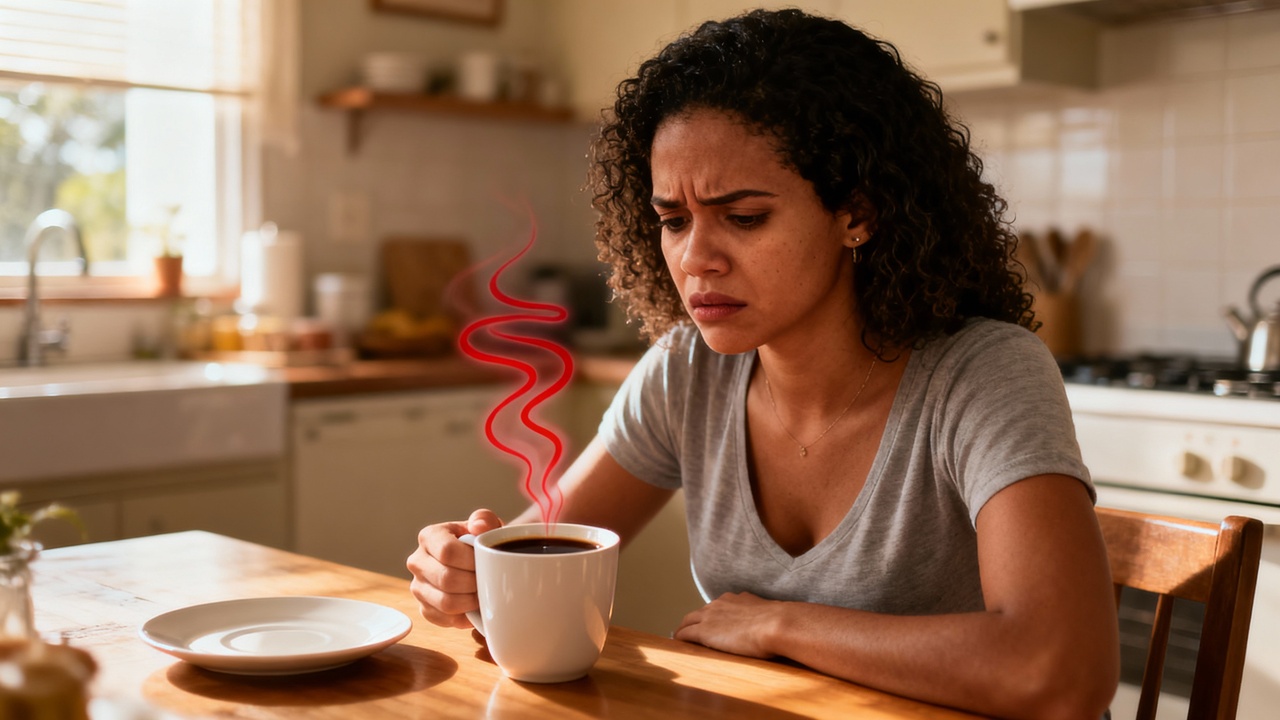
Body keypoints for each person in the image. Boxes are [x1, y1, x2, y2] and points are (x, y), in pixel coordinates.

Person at [408, 8, 1118, 718]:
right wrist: (467, 573)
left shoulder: (984, 374)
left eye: (744, 218)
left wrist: (779, 623)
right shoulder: (687, 371)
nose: (695, 260)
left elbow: (1061, 672)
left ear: (858, 214)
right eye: (674, 221)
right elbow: (542, 554)